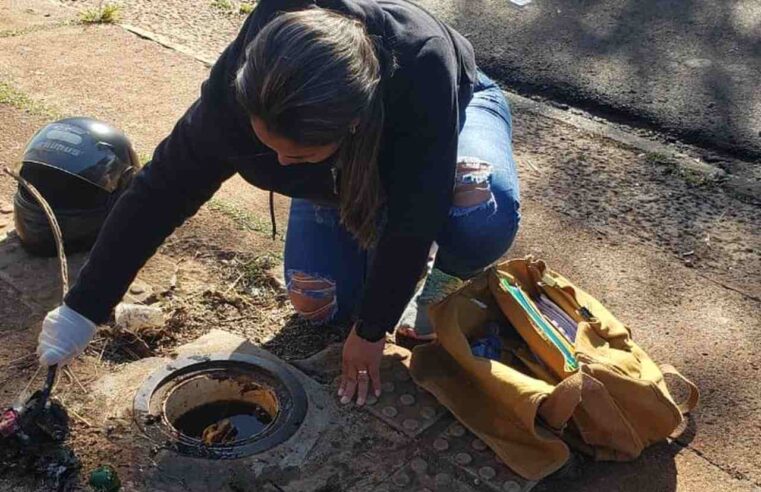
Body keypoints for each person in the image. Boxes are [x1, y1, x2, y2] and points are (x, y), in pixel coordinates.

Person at [36, 0, 520, 407]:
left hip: (457, 108)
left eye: (300, 155)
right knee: (321, 305)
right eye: (268, 148)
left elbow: (417, 212)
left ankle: (440, 279)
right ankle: (352, 209)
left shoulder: (421, 66)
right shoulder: (241, 92)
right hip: (340, 172)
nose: (282, 164)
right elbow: (161, 190)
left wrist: (372, 332)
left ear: (352, 125)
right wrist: (84, 307)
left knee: (475, 209)